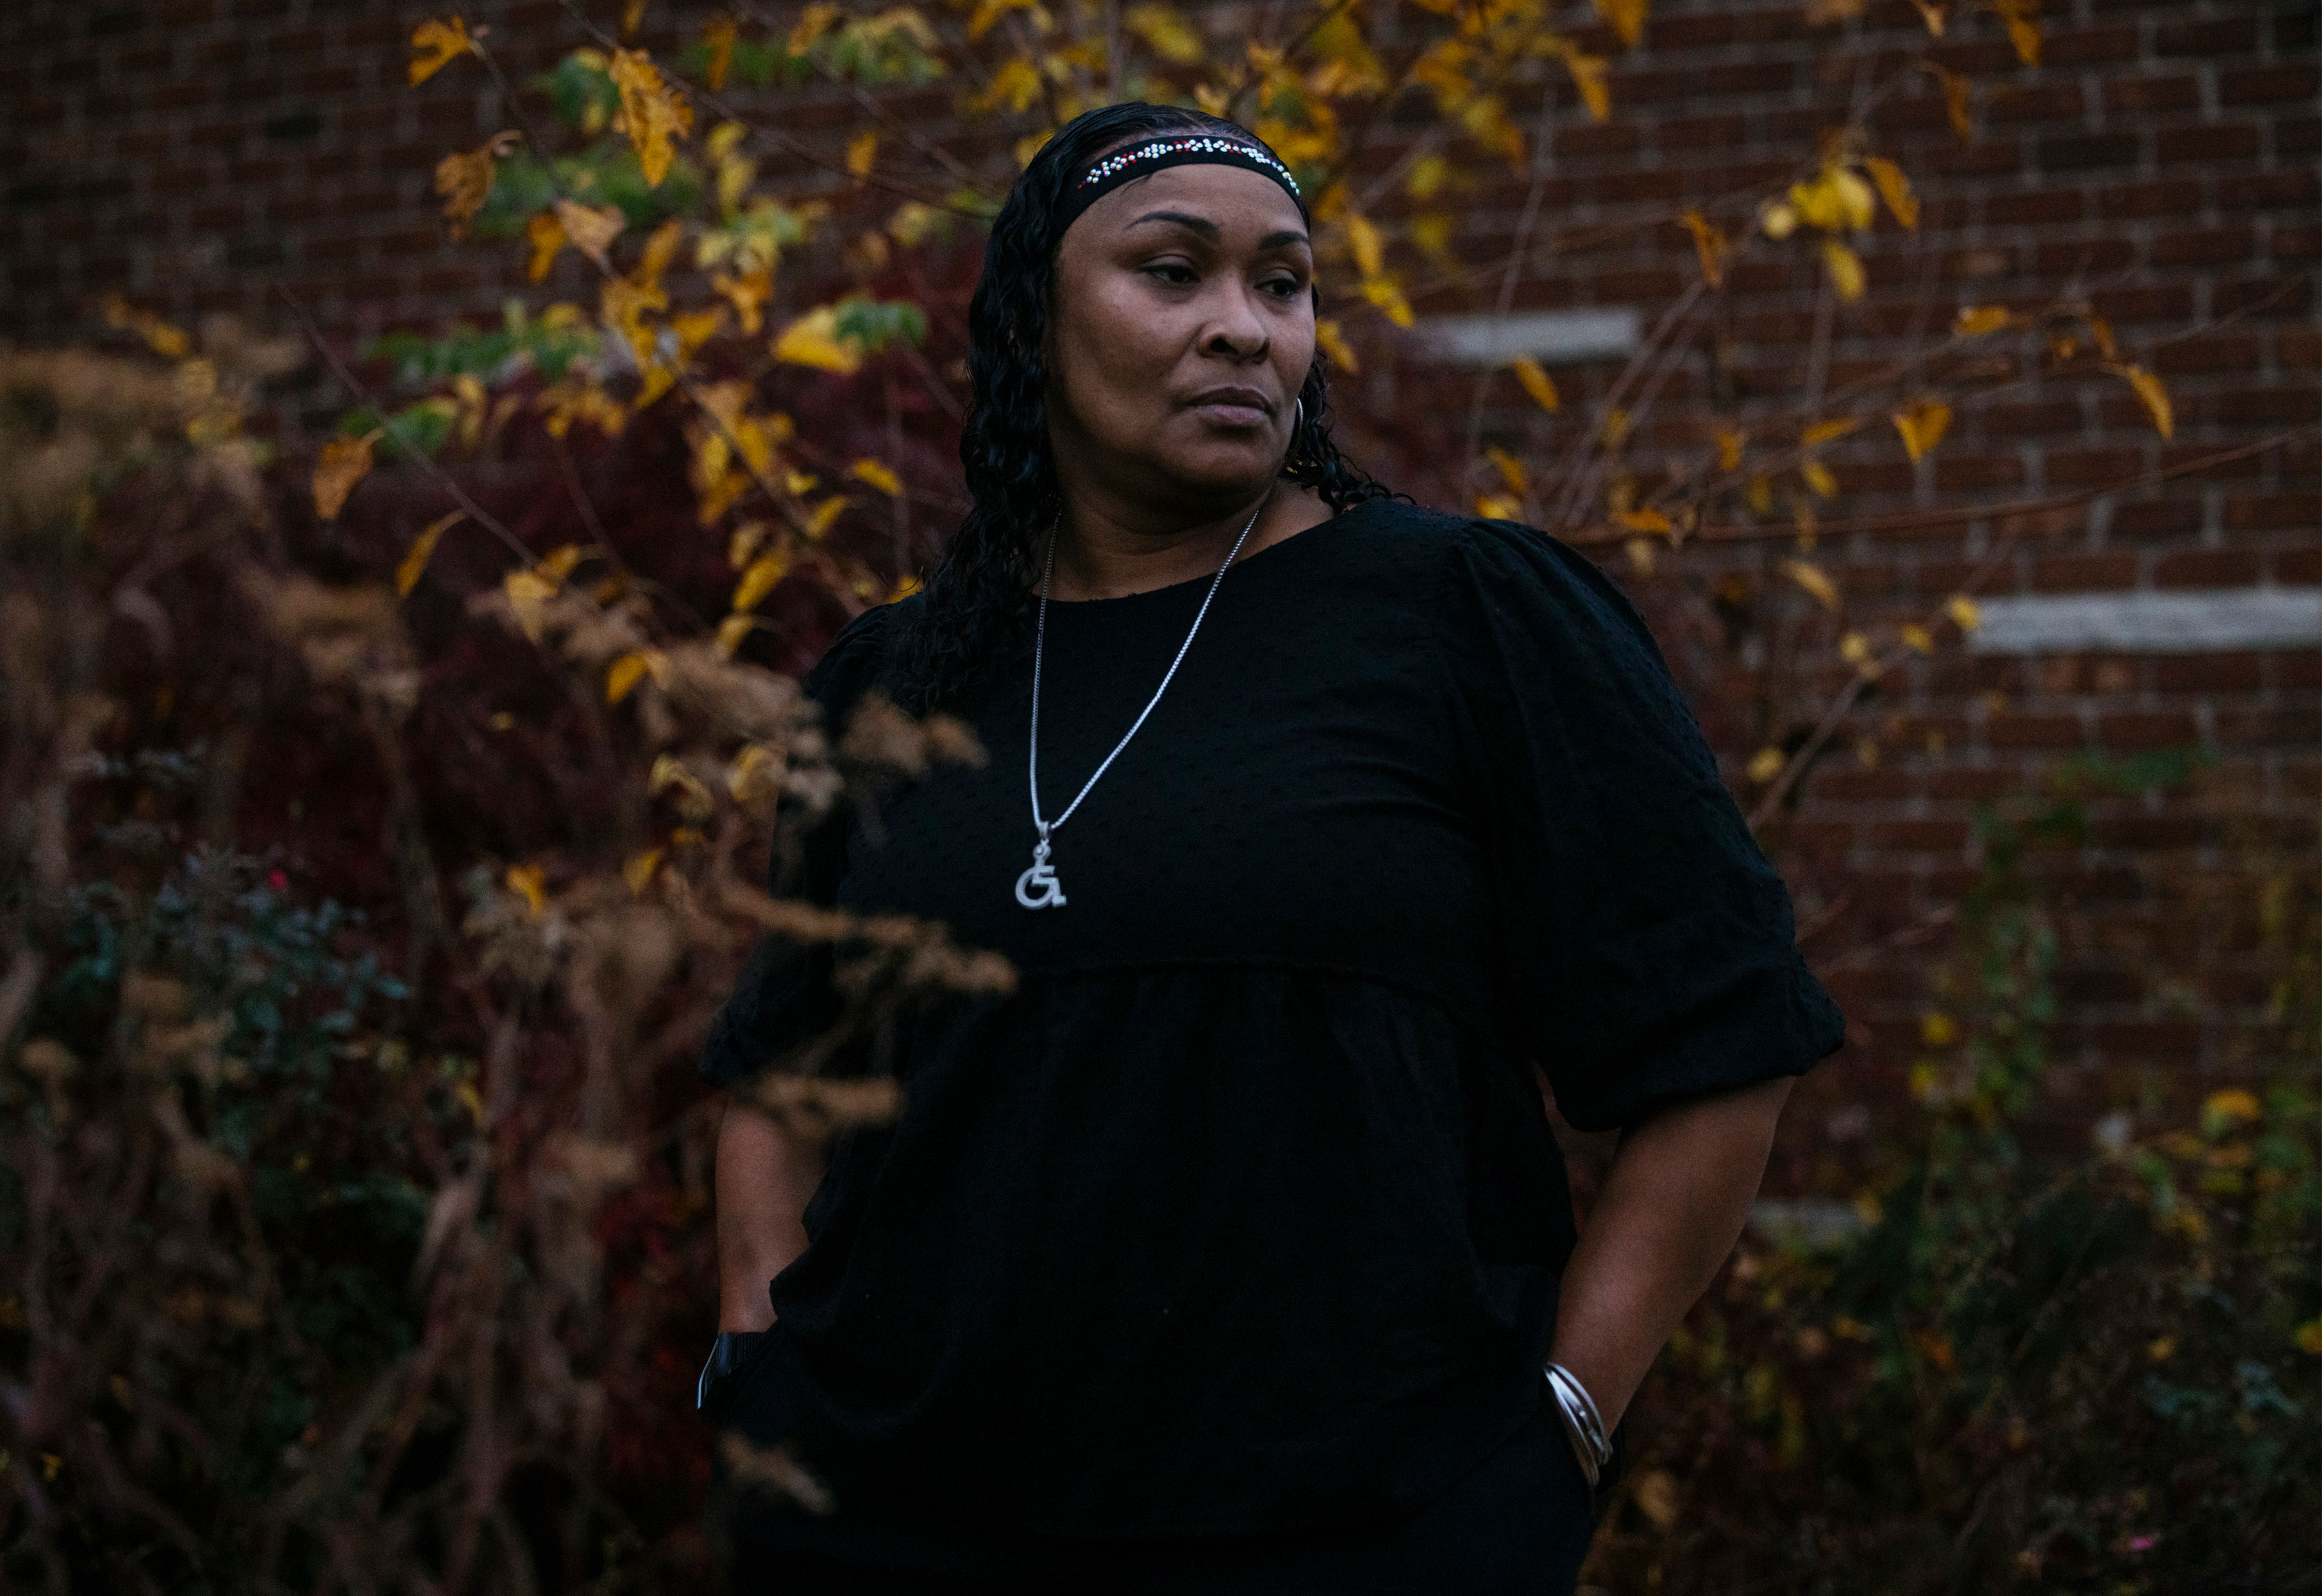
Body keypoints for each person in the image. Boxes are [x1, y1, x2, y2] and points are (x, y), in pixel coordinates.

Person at [696, 102, 1843, 1595]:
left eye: (1283, 283)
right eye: (1173, 272)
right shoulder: (895, 681)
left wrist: (1555, 1425)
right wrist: (760, 1386)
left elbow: (1720, 1042)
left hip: (1365, 1530)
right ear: (1036, 325)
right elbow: (781, 1077)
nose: (1244, 328)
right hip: (899, 1524)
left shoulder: (1464, 616)